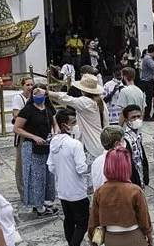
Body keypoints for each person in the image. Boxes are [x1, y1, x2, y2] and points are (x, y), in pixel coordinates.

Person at [89, 126, 144, 246]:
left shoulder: (97, 161)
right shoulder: (117, 161)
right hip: (118, 214)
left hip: (102, 212)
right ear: (116, 143)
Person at [47, 108, 90, 246]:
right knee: (82, 223)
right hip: (77, 191)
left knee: (69, 220)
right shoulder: (75, 145)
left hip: (63, 189)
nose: (76, 126)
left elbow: (51, 166)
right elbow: (81, 168)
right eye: (73, 123)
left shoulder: (54, 142)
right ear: (65, 125)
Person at [14, 85, 58, 216]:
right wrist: (34, 137)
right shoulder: (27, 110)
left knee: (48, 174)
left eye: (40, 93)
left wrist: (55, 134)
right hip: (32, 145)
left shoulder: (48, 109)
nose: (38, 96)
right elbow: (17, 128)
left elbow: (55, 124)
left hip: (46, 144)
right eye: (35, 93)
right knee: (36, 176)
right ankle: (37, 206)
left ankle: (47, 201)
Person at [49, 74, 109, 163]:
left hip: (91, 144)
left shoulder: (86, 102)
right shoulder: (100, 102)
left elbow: (66, 99)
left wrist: (47, 93)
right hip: (102, 140)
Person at [11, 76, 34, 197]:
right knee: (21, 162)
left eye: (31, 85)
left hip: (34, 132)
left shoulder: (35, 97)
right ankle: (22, 190)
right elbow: (16, 114)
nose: (30, 87)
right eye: (27, 85)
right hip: (22, 132)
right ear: (23, 86)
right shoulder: (18, 98)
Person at [123, 105, 150, 188]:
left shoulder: (138, 134)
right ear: (127, 120)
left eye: (139, 116)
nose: (137, 119)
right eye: (133, 117)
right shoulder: (125, 139)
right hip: (133, 181)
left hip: (141, 177)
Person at [139, 44, 154, 120]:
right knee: (148, 99)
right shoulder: (148, 58)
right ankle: (146, 115)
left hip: (148, 80)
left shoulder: (149, 58)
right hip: (147, 81)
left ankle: (147, 114)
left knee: (149, 98)